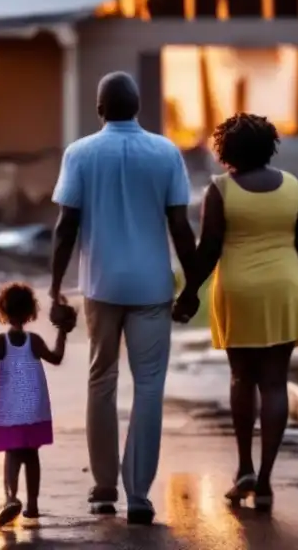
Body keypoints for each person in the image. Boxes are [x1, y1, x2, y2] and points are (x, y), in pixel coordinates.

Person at [48, 71, 197, 525]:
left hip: (101, 286)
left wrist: (55, 289)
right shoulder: (166, 152)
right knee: (149, 387)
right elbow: (179, 225)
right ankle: (139, 494)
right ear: (138, 108)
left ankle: (103, 486)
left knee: (101, 380)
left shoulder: (80, 153)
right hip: (152, 286)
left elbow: (66, 226)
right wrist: (192, 286)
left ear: (99, 109)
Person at [173, 113, 298, 512]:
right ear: (270, 146)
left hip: (238, 290)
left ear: (224, 151)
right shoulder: (294, 187)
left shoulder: (220, 190)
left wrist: (189, 295)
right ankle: (267, 482)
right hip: (285, 289)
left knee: (241, 377)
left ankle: (244, 468)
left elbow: (210, 248)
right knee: (275, 383)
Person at [0, 282, 72, 526]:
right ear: (30, 311)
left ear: (2, 309)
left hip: (10, 409)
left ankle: (11, 497)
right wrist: (63, 331)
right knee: (32, 455)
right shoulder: (34, 340)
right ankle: (32, 505)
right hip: (34, 407)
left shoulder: (0, 342)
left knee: (12, 454)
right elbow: (57, 357)